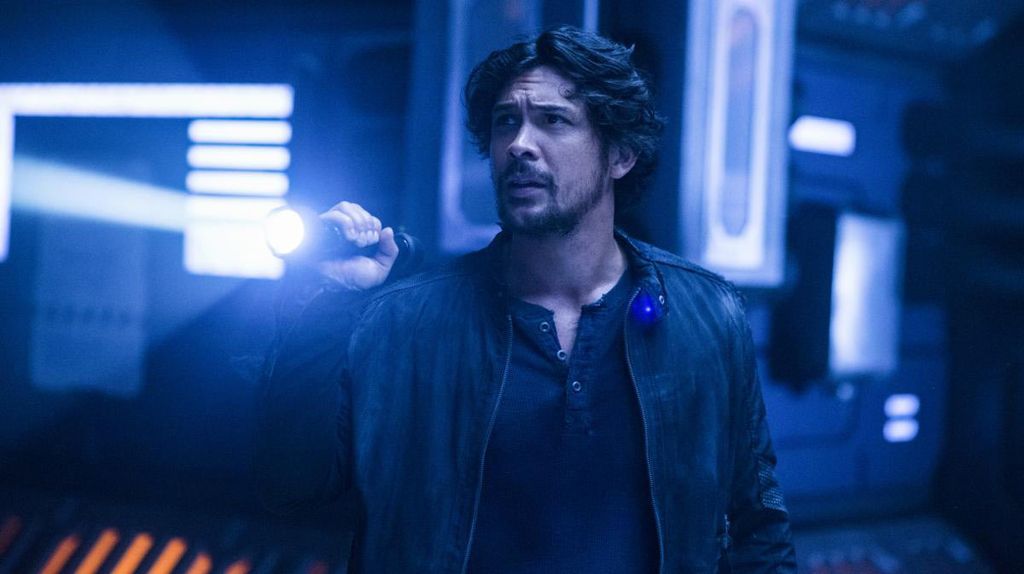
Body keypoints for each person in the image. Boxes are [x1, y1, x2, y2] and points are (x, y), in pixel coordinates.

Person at [256, 26, 795, 573]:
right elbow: (292, 483)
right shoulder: (408, 318)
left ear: (621, 154)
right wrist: (326, 306)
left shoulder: (708, 315)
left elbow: (758, 527)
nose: (519, 144)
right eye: (505, 122)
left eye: (553, 120)